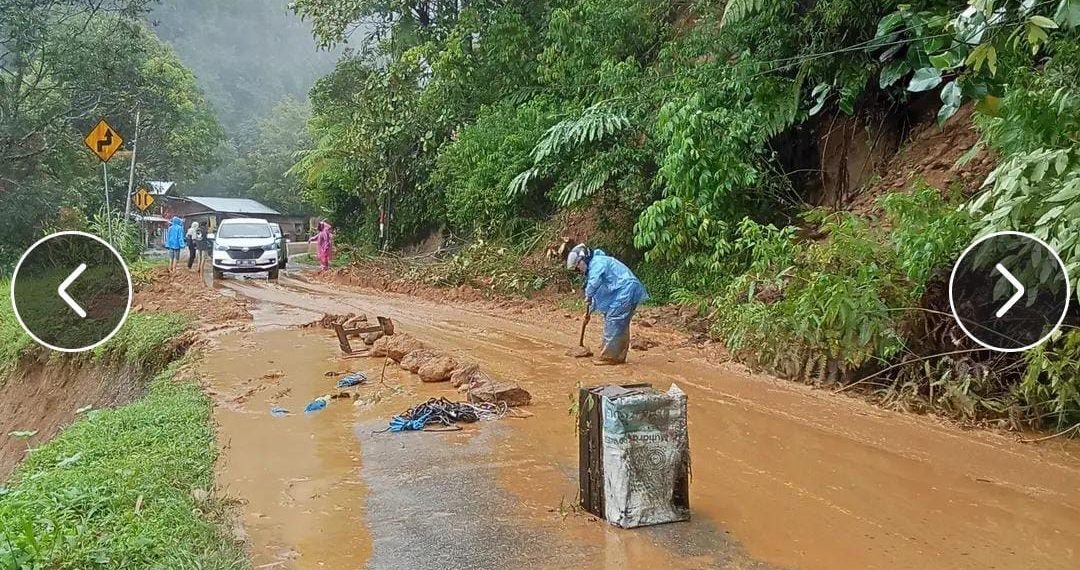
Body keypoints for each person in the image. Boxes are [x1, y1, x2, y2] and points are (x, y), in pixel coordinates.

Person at [566, 244, 648, 365]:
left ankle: (610, 357)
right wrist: (589, 311)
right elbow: (599, 293)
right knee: (620, 324)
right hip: (626, 291)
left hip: (626, 290)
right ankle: (617, 355)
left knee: (614, 320)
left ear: (582, 260)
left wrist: (588, 295)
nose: (578, 271)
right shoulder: (598, 265)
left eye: (577, 267)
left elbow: (594, 284)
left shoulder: (597, 263)